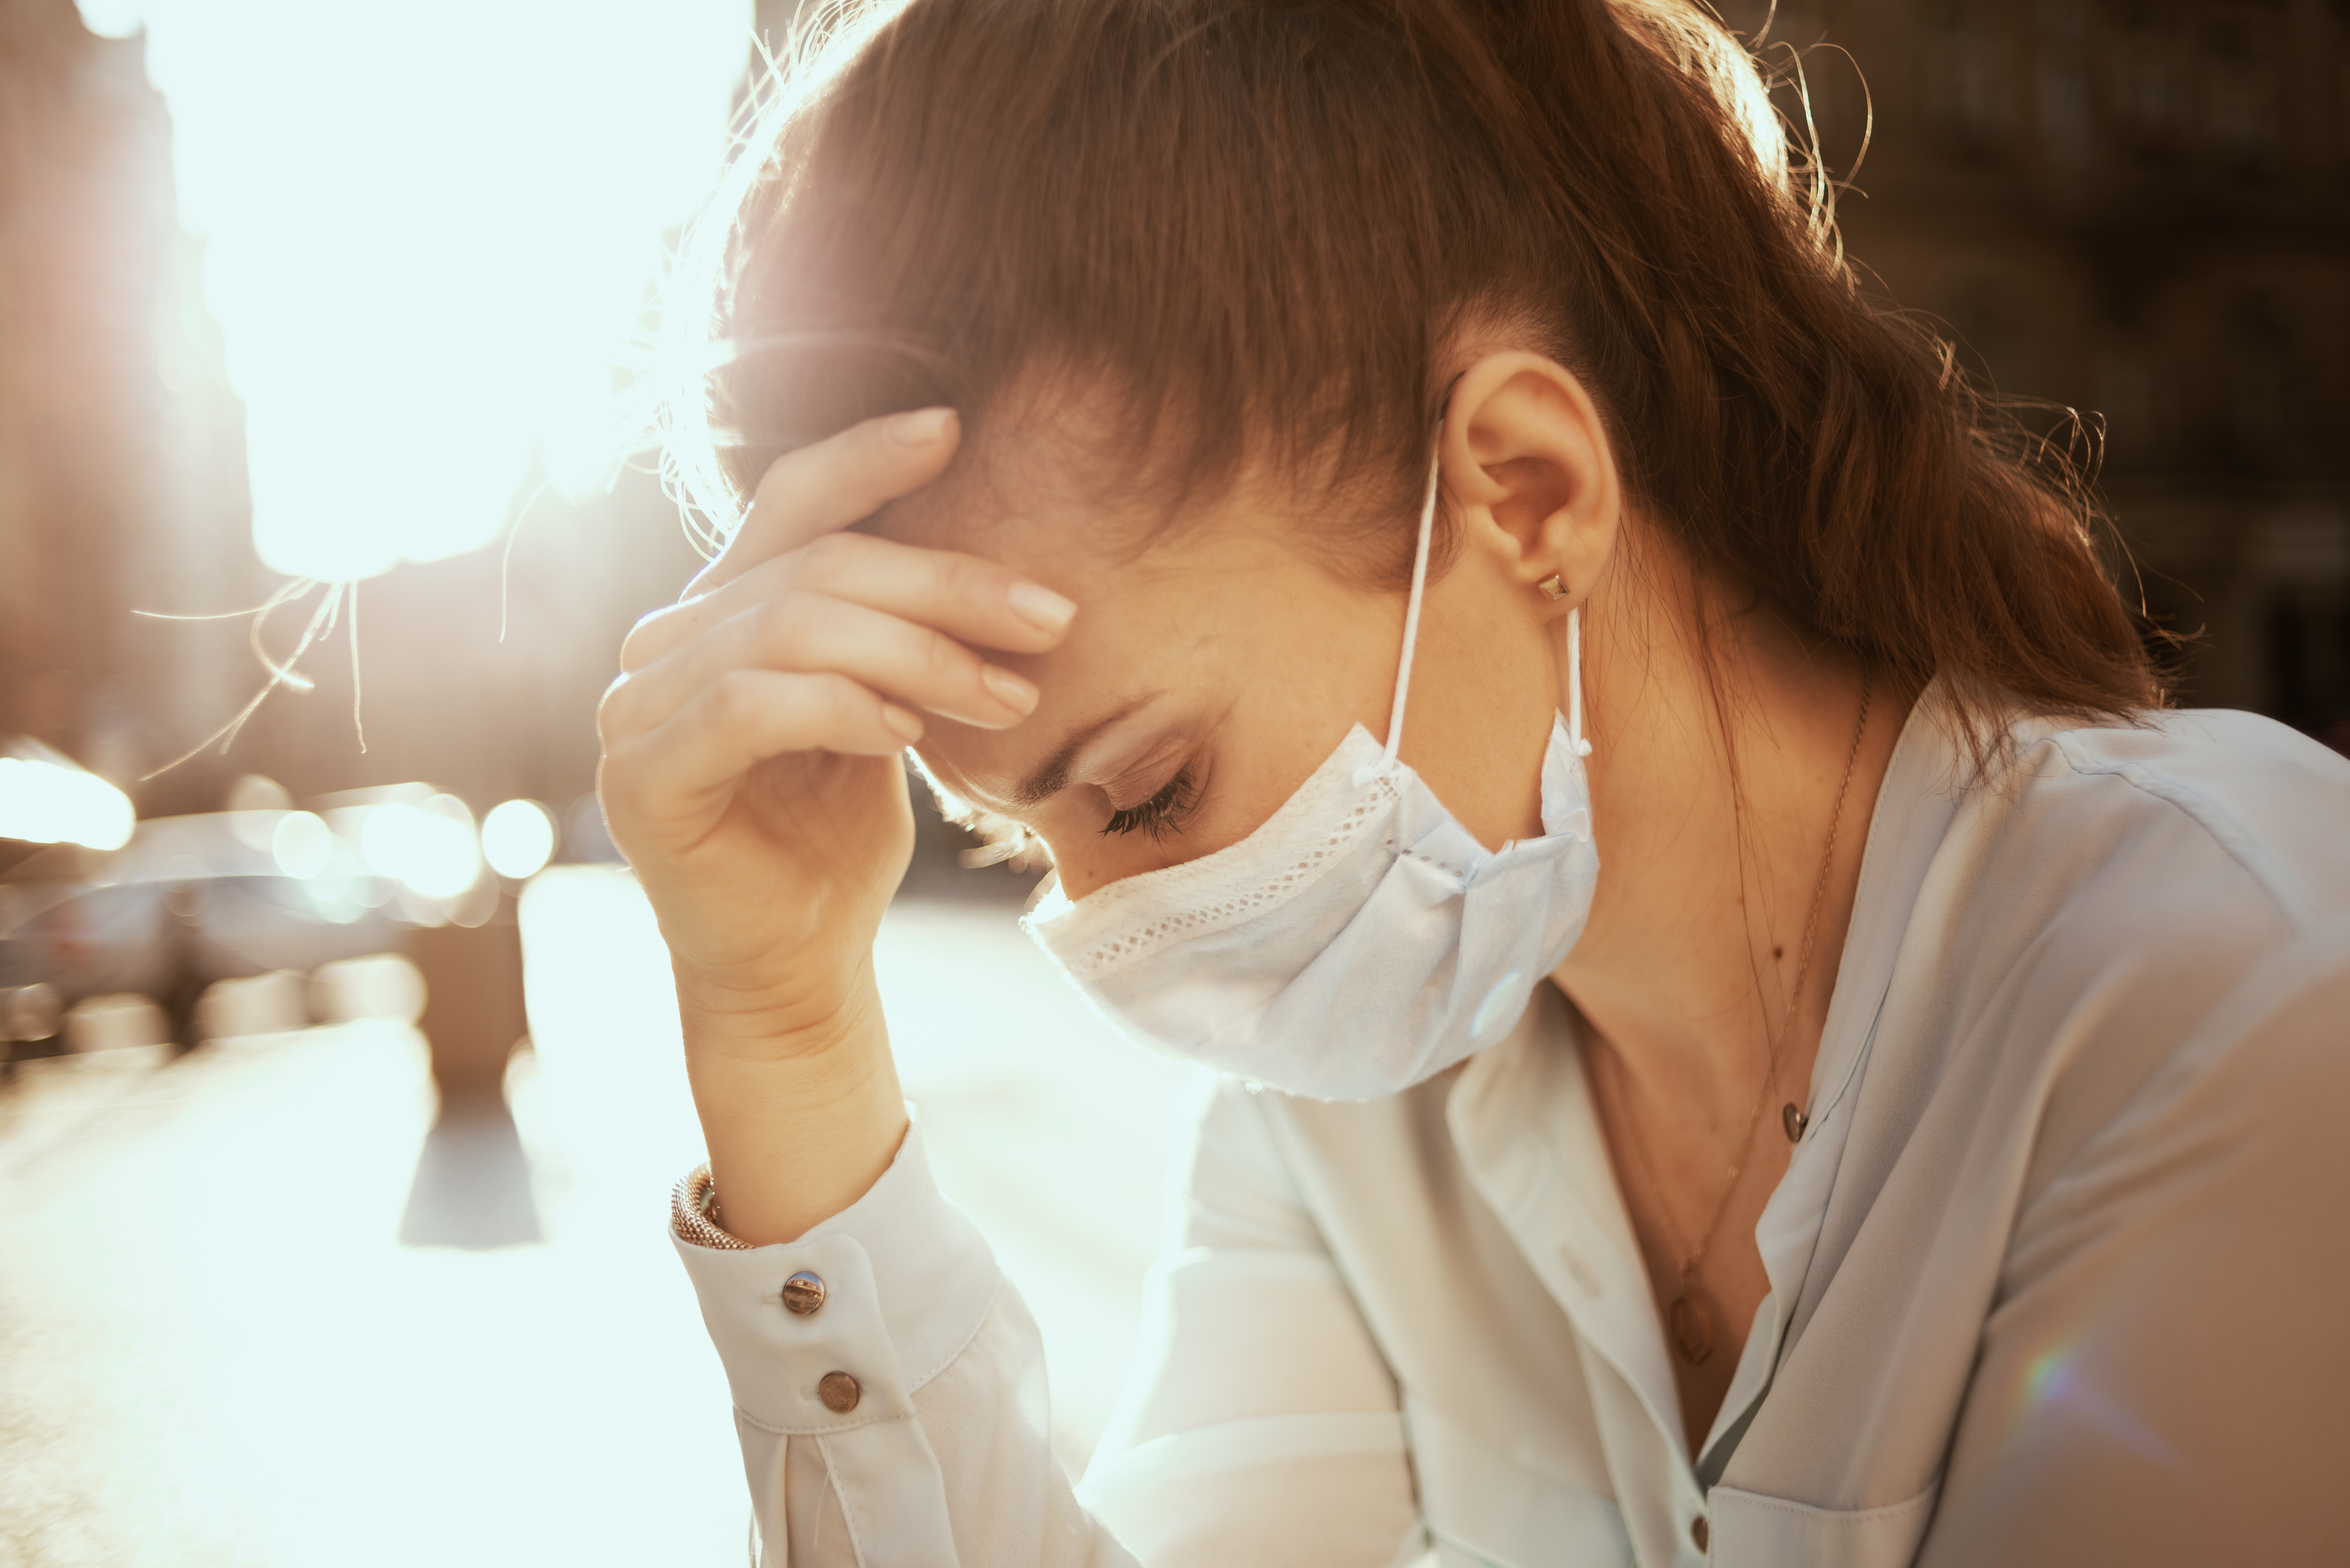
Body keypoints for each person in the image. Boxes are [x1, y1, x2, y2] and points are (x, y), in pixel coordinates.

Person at [593, 1, 2350, 1563]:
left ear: (1524, 490)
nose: (1128, 939)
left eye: (1143, 792)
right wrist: (788, 1038)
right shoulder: (1352, 1106)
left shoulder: (2228, 985)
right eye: (1021, 838)